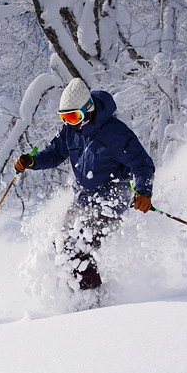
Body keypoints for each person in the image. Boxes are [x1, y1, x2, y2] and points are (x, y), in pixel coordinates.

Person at [14, 78, 155, 294]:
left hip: (110, 199)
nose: (69, 122)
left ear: (87, 109)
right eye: (64, 118)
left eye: (73, 117)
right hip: (82, 199)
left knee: (76, 247)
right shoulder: (71, 131)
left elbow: (142, 164)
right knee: (60, 246)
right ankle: (74, 294)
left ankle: (93, 299)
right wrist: (32, 162)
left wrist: (143, 192)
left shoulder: (115, 133)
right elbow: (54, 154)